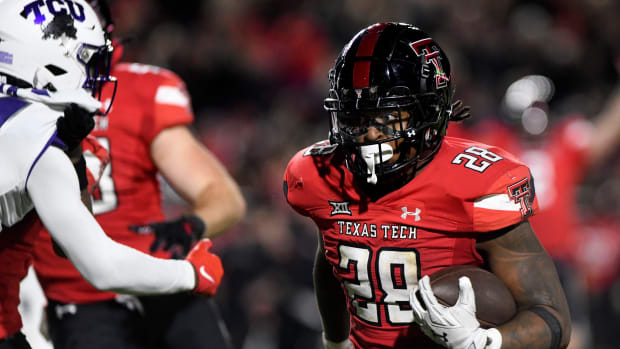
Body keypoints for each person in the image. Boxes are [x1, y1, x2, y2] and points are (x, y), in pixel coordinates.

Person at [283, 22, 571, 349]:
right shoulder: (319, 174)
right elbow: (332, 260)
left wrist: (483, 342)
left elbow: (552, 317)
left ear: (429, 111)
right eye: (356, 115)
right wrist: (335, 341)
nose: (369, 133)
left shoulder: (480, 183)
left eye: (388, 116)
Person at [0, 1, 223, 348]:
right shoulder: (40, 148)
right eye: (85, 58)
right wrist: (193, 273)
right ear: (46, 59)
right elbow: (103, 266)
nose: (94, 74)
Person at [448, 75, 620, 349]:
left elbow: (604, 135)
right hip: (512, 258)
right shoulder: (498, 141)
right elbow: (451, 148)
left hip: (558, 259)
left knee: (572, 335)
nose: (538, 113)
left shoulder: (564, 140)